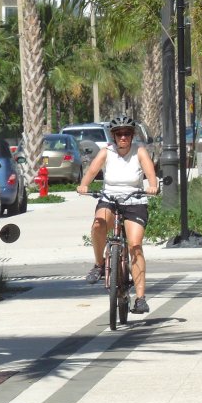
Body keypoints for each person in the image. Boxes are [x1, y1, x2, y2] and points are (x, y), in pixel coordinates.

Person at [77, 116, 159, 314]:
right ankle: (99, 264)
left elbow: (150, 174)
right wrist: (84, 185)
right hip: (110, 198)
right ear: (113, 136)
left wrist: (152, 186)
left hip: (134, 200)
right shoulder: (106, 152)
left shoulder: (139, 151)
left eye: (127, 134)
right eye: (119, 134)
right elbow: (92, 171)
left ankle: (140, 298)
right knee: (98, 225)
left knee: (135, 246)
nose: (123, 137)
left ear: (132, 135)